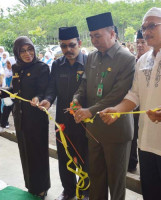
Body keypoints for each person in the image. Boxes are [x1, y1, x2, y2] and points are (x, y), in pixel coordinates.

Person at [100, 7, 161, 200]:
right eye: (144, 27)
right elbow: (134, 95)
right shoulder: (142, 60)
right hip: (146, 145)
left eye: (152, 26)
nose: (146, 32)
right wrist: (117, 110)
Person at [73, 12, 135, 200]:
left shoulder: (126, 58)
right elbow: (83, 84)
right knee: (96, 178)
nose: (93, 40)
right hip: (94, 130)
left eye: (97, 35)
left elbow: (118, 94)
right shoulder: (91, 57)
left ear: (112, 34)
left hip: (116, 129)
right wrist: (76, 99)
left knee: (116, 182)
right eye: (91, 36)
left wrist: (88, 111)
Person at [39, 26, 88, 200]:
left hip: (83, 120)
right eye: (64, 46)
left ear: (79, 43)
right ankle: (69, 190)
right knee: (64, 155)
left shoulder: (89, 62)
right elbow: (52, 88)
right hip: (62, 120)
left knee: (84, 157)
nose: (68, 49)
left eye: (72, 45)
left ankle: (85, 191)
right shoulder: (57, 64)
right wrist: (48, 100)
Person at [1, 36, 51, 199]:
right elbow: (16, 92)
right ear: (17, 52)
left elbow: (43, 90)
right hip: (21, 118)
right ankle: (31, 186)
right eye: (22, 51)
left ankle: (42, 188)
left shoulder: (41, 67)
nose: (27, 53)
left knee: (38, 154)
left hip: (36, 118)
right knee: (25, 153)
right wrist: (4, 91)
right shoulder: (16, 67)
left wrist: (37, 97)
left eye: (30, 49)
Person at [128, 29, 151, 173]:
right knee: (132, 136)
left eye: (143, 42)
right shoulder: (133, 61)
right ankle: (131, 163)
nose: (140, 45)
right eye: (138, 42)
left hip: (147, 108)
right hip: (131, 106)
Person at [0, 57, 15, 131]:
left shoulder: (16, 73)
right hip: (8, 95)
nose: (7, 65)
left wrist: (3, 91)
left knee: (13, 111)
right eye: (7, 63)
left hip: (13, 96)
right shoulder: (8, 72)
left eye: (9, 63)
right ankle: (3, 125)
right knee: (6, 109)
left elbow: (14, 88)